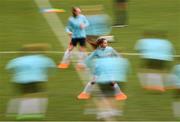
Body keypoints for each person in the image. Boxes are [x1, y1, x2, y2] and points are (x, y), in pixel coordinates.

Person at [6, 44, 56, 120]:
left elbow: (9, 67)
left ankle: (12, 112)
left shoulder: (17, 60)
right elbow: (51, 66)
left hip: (18, 80)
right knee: (38, 95)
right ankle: (28, 113)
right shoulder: (40, 58)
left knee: (23, 95)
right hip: (35, 79)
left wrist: (15, 74)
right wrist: (49, 74)